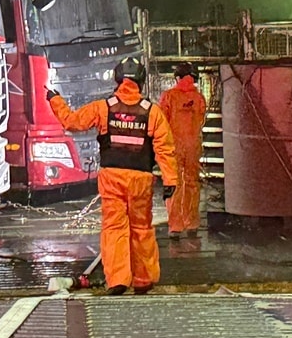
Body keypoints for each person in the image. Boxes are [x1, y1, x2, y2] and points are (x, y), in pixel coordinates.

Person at [48, 57, 178, 294]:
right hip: (141, 179)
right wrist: (171, 181)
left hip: (112, 178)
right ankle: (143, 279)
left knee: (114, 228)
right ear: (141, 80)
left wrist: (54, 99)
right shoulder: (153, 113)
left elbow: (72, 122)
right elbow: (165, 149)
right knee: (141, 229)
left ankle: (118, 280)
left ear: (118, 79)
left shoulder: (103, 107)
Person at [157, 62, 207, 239]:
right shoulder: (199, 98)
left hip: (173, 146)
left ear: (177, 78)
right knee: (192, 183)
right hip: (193, 144)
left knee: (173, 184)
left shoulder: (168, 96)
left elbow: (161, 122)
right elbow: (201, 119)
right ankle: (191, 223)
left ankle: (175, 227)